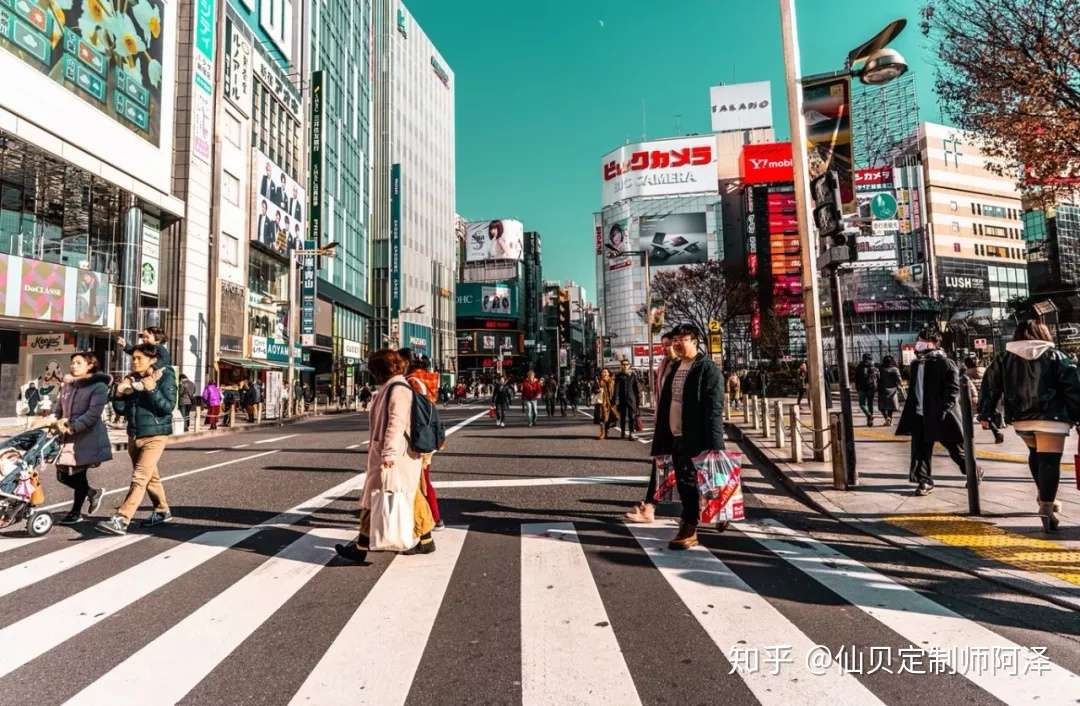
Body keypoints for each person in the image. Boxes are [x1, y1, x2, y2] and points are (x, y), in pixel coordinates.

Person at [980, 320, 1080, 532]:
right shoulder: (1056, 356)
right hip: (1052, 418)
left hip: (1021, 417)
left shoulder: (1004, 358)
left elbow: (990, 386)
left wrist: (986, 413)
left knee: (1035, 454)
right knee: (1050, 462)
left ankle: (1044, 498)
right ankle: (1046, 508)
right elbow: (1073, 388)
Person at [336, 349, 435, 562]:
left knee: (379, 498)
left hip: (396, 455)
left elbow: (396, 422)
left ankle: (361, 548)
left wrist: (388, 452)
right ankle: (425, 540)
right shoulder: (393, 386)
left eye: (374, 370)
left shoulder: (398, 389)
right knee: (394, 497)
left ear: (381, 370)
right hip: (396, 454)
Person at [649, 324, 725, 549]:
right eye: (675, 340)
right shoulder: (674, 367)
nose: (677, 344)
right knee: (685, 482)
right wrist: (662, 437)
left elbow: (714, 409)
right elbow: (667, 403)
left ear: (695, 341)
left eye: (682, 339)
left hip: (697, 436)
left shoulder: (707, 369)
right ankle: (709, 513)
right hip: (676, 434)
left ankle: (690, 526)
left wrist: (716, 446)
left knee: (695, 481)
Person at [96, 344, 175, 535]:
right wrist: (119, 394)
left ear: (153, 360)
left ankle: (122, 519)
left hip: (155, 435)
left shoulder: (164, 377)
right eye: (134, 358)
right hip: (134, 434)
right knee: (150, 477)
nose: (135, 361)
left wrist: (152, 390)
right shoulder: (131, 379)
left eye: (140, 358)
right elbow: (122, 411)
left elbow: (168, 407)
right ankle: (162, 509)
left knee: (139, 477)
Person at [896, 329, 977, 496]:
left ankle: (974, 472)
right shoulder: (916, 364)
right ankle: (924, 481)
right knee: (920, 450)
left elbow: (953, 390)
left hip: (942, 414)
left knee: (955, 449)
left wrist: (944, 409)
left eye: (923, 340)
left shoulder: (946, 363)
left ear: (934, 343)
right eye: (919, 340)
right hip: (920, 415)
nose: (919, 343)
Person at [53, 352, 110, 525]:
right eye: (72, 362)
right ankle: (92, 493)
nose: (73, 365)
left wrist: (73, 426)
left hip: (87, 436)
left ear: (90, 365)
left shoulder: (98, 386)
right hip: (66, 435)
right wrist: (53, 422)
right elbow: (58, 409)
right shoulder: (67, 385)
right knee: (62, 476)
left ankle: (76, 512)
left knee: (78, 474)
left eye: (78, 362)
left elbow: (93, 414)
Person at [401, 349, 444, 531]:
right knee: (423, 480)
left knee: (421, 482)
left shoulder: (411, 382)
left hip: (416, 438)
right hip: (427, 435)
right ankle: (432, 517)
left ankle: (433, 518)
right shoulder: (426, 380)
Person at [966, 355, 1005, 443]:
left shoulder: (966, 374)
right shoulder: (985, 370)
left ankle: (968, 438)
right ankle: (997, 432)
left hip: (974, 398)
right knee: (985, 416)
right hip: (986, 397)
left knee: (972, 418)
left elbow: (968, 387)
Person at [614, 359, 641, 440]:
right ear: (621, 366)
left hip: (631, 399)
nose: (625, 366)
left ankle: (631, 433)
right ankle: (622, 432)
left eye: (626, 364)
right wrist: (615, 399)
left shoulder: (633, 375)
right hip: (621, 399)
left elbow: (637, 388)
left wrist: (638, 399)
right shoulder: (618, 376)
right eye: (623, 364)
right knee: (622, 417)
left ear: (629, 365)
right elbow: (616, 388)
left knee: (631, 417)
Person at [854, 353, 879, 426]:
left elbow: (856, 379)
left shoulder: (859, 367)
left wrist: (856, 387)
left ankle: (869, 415)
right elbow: (878, 377)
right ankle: (870, 421)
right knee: (870, 404)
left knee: (862, 404)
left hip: (862, 388)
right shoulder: (874, 367)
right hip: (871, 388)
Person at [877, 355, 902, 426]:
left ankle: (887, 418)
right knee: (890, 407)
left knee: (882, 406)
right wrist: (901, 385)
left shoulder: (881, 369)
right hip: (892, 390)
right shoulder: (895, 369)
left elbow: (877, 379)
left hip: (882, 390)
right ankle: (889, 419)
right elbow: (899, 379)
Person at [593, 369, 617, 440]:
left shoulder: (613, 382)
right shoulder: (598, 381)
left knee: (608, 419)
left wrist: (615, 400)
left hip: (610, 402)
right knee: (601, 418)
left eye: (606, 372)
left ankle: (606, 432)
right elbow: (593, 390)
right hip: (601, 402)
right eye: (603, 372)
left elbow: (615, 391)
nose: (604, 373)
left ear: (609, 373)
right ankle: (602, 433)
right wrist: (598, 390)